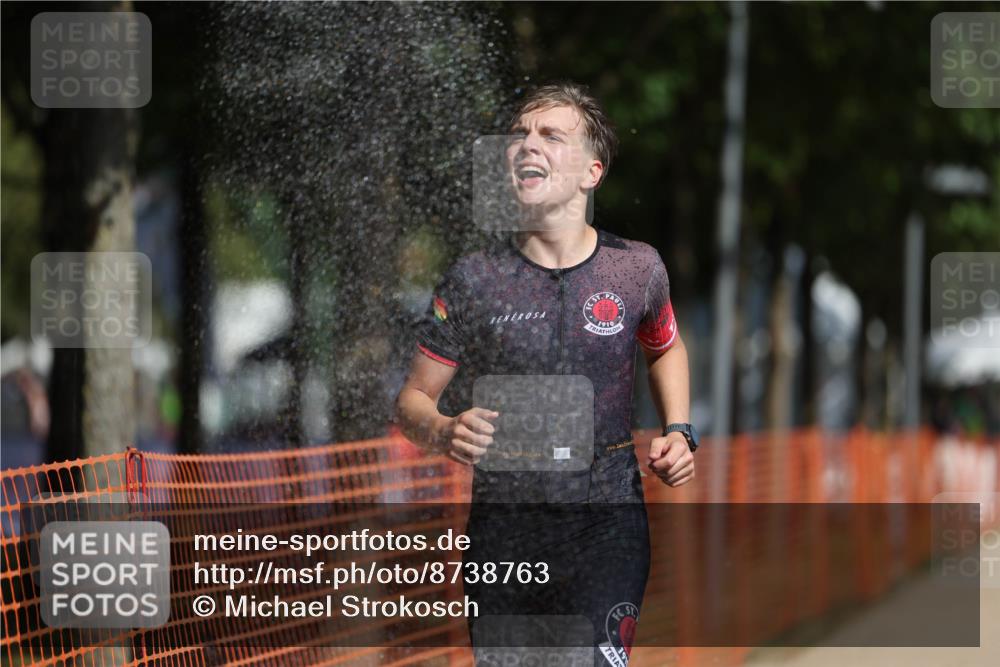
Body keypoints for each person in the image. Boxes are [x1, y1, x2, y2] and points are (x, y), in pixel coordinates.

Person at [394, 81, 696, 666]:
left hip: (607, 520)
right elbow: (411, 401)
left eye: (551, 135)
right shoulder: (474, 281)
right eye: (519, 136)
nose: (527, 145)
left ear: (592, 172)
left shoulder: (636, 268)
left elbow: (666, 347)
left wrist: (679, 429)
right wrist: (443, 430)